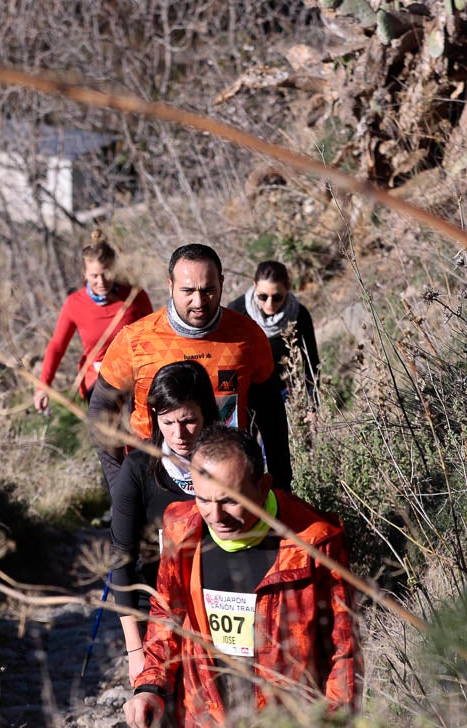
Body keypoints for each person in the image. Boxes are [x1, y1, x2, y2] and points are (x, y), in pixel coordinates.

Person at [123, 426, 357, 728]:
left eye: (230, 500)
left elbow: (344, 649)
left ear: (263, 487)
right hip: (205, 714)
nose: (216, 516)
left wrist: (336, 719)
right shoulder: (181, 530)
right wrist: (150, 687)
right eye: (204, 499)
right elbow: (166, 617)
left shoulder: (315, 544)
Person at [88, 244, 290, 493]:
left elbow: (271, 413)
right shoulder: (135, 339)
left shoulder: (247, 336)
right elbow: (101, 410)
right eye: (188, 291)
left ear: (221, 283)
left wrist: (281, 485)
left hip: (226, 483)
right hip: (154, 485)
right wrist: (119, 484)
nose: (199, 302)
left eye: (208, 290)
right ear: (170, 286)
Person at [110, 360, 219, 684]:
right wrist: (135, 651)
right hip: (159, 614)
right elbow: (121, 559)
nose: (178, 434)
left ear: (206, 414)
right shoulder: (138, 469)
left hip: (219, 609)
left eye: (188, 421)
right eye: (167, 422)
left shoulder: (229, 463)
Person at [34, 230, 153, 412]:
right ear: (85, 274)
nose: (101, 281)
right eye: (94, 276)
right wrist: (43, 386)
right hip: (97, 381)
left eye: (106, 274)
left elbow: (152, 338)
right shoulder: (75, 303)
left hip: (133, 377)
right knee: (106, 418)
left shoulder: (135, 297)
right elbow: (57, 345)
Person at [226, 260, 320, 408]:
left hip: (284, 395)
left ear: (288, 288)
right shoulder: (236, 311)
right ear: (254, 286)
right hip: (245, 395)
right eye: (263, 296)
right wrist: (228, 408)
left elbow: (311, 361)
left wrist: (312, 406)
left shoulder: (299, 315)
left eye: (277, 297)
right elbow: (226, 362)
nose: (269, 304)